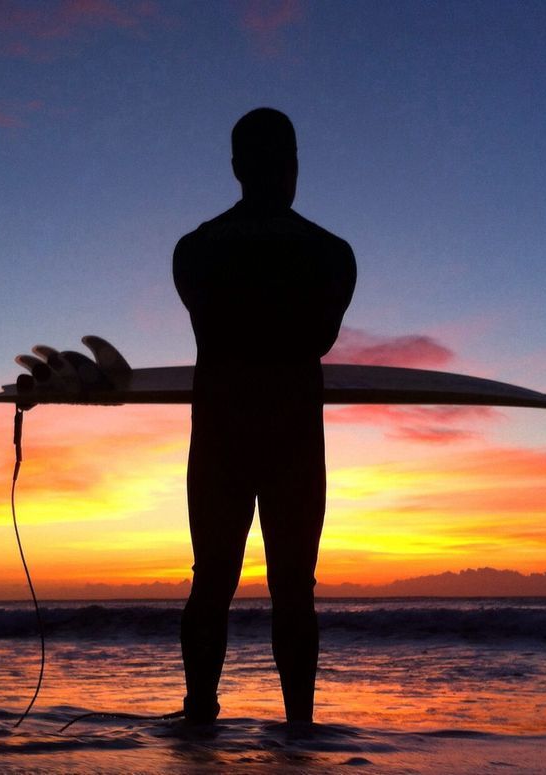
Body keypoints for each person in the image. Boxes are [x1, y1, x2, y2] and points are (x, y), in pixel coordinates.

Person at [172, 108, 357, 725]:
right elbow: (319, 338)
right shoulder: (332, 255)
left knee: (211, 581)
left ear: (235, 168)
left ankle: (199, 720)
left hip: (221, 437)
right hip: (292, 440)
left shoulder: (193, 251)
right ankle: (298, 729)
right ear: (293, 165)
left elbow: (212, 323)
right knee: (294, 591)